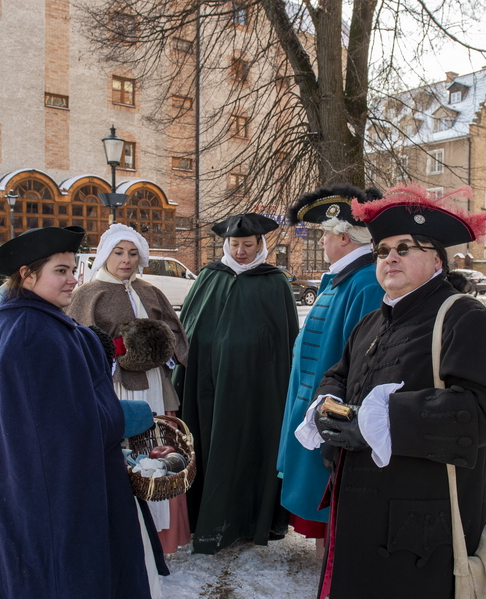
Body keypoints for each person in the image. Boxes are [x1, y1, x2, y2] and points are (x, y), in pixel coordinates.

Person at [296, 185, 486, 598]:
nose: (390, 257)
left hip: (422, 533)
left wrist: (378, 421)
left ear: (437, 260)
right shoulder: (372, 322)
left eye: (405, 247)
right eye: (382, 251)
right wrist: (327, 404)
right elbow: (338, 375)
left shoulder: (464, 319)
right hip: (361, 517)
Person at [0, 226, 168, 599]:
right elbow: (65, 427)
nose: (72, 280)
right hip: (51, 493)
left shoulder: (27, 320)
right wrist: (125, 417)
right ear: (27, 274)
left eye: (73, 270)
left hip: (35, 482)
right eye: (60, 271)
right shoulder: (31, 333)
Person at [175, 213, 299, 554]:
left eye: (248, 245)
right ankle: (205, 519)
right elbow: (190, 331)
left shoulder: (275, 282)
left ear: (261, 244)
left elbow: (285, 339)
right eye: (235, 244)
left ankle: (248, 523)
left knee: (251, 448)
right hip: (208, 387)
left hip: (256, 390)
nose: (241, 251)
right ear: (225, 244)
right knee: (209, 444)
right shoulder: (208, 278)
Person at [66, 223, 191, 555]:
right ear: (105, 254)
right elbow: (80, 344)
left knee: (158, 450)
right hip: (116, 389)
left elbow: (176, 334)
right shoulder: (88, 294)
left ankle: (161, 536)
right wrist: (121, 349)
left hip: (154, 384)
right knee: (125, 454)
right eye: (119, 252)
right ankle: (126, 536)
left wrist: (163, 348)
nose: (126, 260)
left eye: (133, 253)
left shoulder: (150, 291)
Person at [276, 185, 385, 557]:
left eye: (324, 232)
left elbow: (364, 361)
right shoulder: (344, 277)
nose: (321, 240)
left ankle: (335, 565)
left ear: (342, 235)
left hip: (335, 408)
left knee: (332, 499)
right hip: (316, 401)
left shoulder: (366, 282)